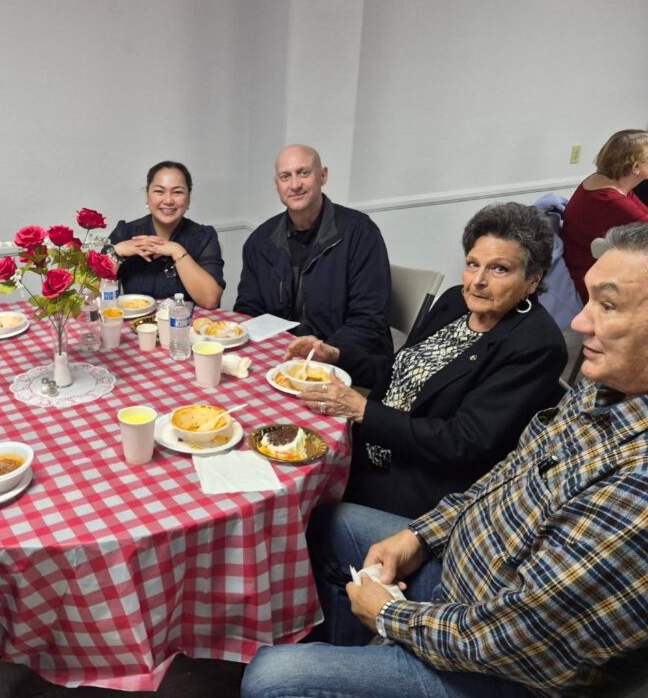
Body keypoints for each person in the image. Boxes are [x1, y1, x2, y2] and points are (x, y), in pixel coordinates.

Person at [242, 222, 648, 698]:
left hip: (498, 666)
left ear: (533, 281)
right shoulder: (600, 390)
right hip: (462, 567)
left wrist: (390, 617)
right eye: (473, 263)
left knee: (268, 676)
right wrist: (418, 536)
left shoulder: (635, 481)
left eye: (608, 305)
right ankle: (347, 658)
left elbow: (517, 637)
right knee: (323, 521)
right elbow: (504, 471)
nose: (579, 322)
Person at [286, 203, 567, 518]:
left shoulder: (536, 344)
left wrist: (362, 410)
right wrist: (336, 355)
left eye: (499, 269)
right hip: (368, 449)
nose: (477, 280)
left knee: (304, 511)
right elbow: (400, 370)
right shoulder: (455, 301)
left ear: (533, 280)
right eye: (473, 264)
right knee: (285, 449)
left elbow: (463, 442)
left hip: (421, 489)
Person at [235, 144, 392, 355]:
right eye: (285, 176)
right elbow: (248, 310)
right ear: (276, 185)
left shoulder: (361, 233)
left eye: (304, 173)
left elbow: (369, 319)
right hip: (281, 355)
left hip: (344, 357)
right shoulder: (260, 241)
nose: (295, 185)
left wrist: (324, 352)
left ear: (323, 176)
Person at [108, 160, 224, 308]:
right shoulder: (125, 232)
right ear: (147, 195)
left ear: (188, 198)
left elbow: (210, 300)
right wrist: (117, 252)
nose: (168, 200)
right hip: (135, 320)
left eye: (177, 192)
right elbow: (92, 296)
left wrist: (177, 251)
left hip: (186, 321)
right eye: (159, 191)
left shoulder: (203, 236)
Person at [561, 129, 648, 302]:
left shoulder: (607, 182)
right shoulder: (611, 199)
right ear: (636, 167)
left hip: (598, 266)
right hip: (591, 279)